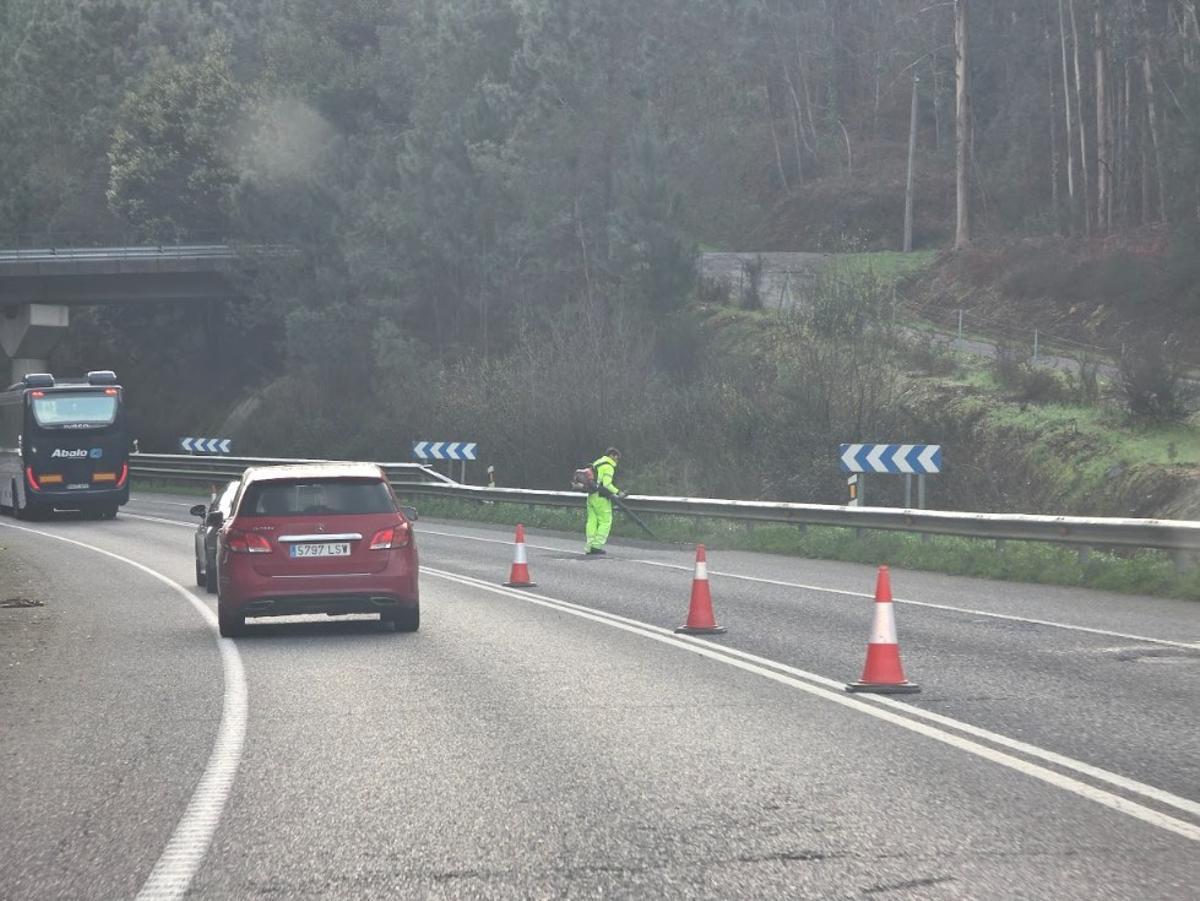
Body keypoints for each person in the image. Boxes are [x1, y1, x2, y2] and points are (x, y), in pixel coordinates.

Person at [585, 447, 626, 555]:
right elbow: (607, 484)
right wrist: (618, 492)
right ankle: (597, 546)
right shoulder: (608, 466)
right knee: (605, 521)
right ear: (612, 455)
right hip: (601, 498)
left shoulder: (597, 462)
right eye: (617, 458)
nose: (617, 460)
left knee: (592, 521)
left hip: (591, 496)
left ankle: (589, 546)